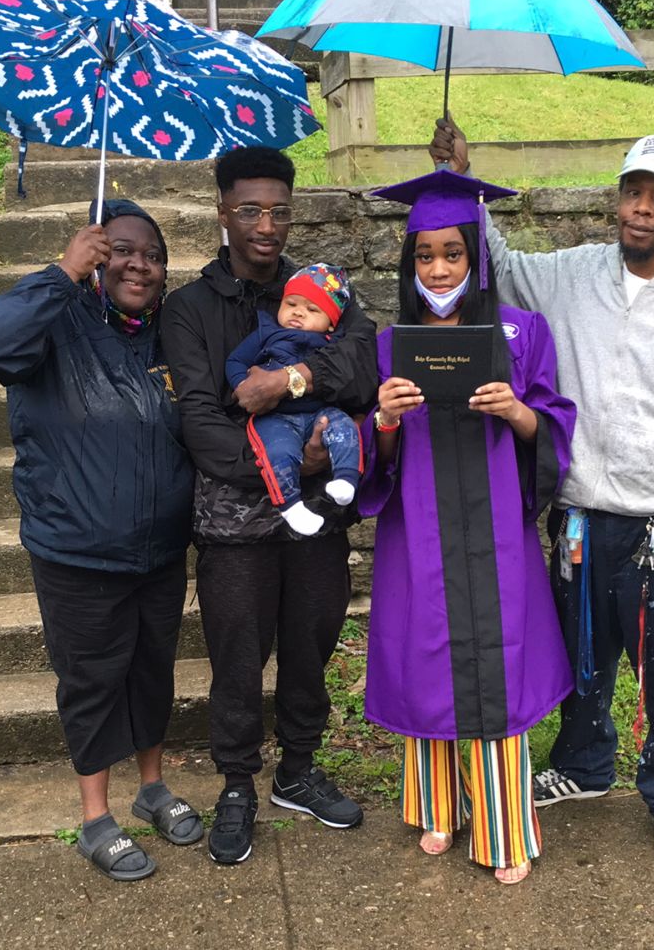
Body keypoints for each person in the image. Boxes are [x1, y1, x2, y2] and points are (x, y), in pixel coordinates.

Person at [430, 121, 654, 869]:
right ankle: (583, 763)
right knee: (581, 654)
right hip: (578, 515)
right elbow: (501, 268)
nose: (643, 209)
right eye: (633, 192)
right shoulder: (575, 274)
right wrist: (464, 182)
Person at [0, 199, 199, 882]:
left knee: (152, 671)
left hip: (159, 549)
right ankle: (96, 817)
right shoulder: (55, 322)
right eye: (122, 250)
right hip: (76, 550)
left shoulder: (167, 335)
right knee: (93, 681)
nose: (139, 265)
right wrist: (62, 272)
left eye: (153, 255)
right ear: (96, 255)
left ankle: (152, 787)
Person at [359, 169, 577, 885]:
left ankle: (503, 826)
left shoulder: (521, 333)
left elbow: (553, 429)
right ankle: (438, 806)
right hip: (419, 530)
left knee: (496, 662)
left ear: (477, 256)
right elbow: (375, 453)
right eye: (424, 255)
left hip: (495, 534)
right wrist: (384, 419)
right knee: (428, 657)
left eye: (453, 253)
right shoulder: (391, 344)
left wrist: (515, 410)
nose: (439, 269)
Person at [160, 147, 377, 866]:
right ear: (222, 212)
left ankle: (298, 769)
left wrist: (289, 379)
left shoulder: (320, 288)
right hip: (234, 525)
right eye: (250, 210)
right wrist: (288, 466)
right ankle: (236, 784)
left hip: (315, 521)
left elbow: (363, 367)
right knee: (237, 656)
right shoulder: (190, 310)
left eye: (279, 211)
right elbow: (200, 422)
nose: (266, 225)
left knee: (312, 641)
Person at [225, 263, 362, 537]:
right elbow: (236, 360)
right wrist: (242, 384)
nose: (299, 312)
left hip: (319, 411)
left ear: (331, 322)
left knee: (345, 427)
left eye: (312, 309)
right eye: (291, 304)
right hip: (274, 416)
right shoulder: (267, 333)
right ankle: (290, 505)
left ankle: (346, 479)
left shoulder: (335, 343)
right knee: (279, 451)